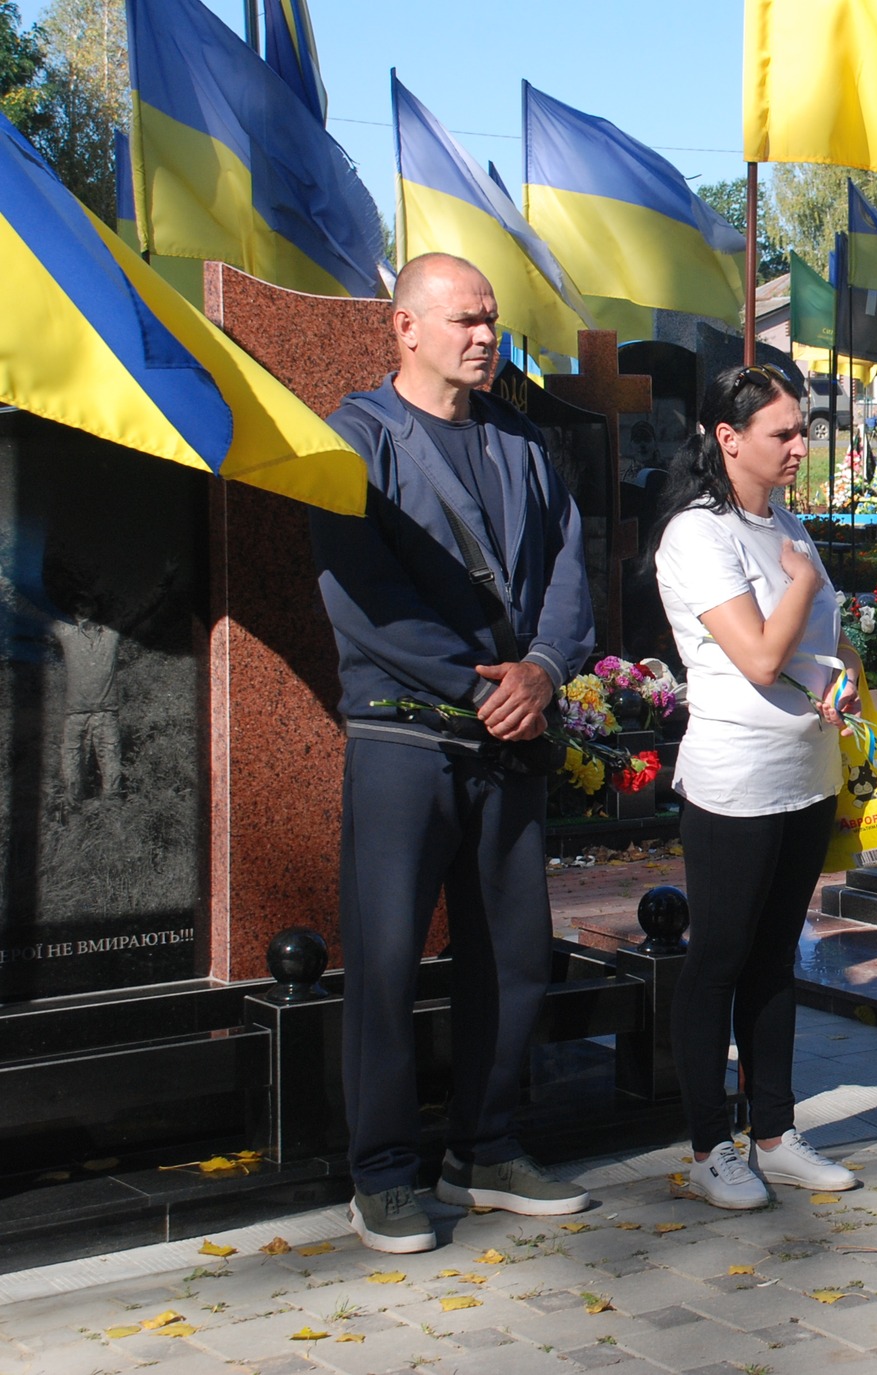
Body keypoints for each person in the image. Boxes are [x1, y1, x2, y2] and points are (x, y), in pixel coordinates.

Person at [309, 253, 597, 1253]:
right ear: (406, 328)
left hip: (510, 736)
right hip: (404, 738)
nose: (485, 336)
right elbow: (361, 591)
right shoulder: (356, 439)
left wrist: (543, 671)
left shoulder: (522, 443)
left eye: (491, 319)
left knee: (512, 956)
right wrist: (482, 687)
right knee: (387, 960)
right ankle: (382, 1173)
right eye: (465, 320)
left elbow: (569, 567)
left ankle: (485, 1147)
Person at [653, 364, 864, 1209]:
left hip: (806, 771)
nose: (801, 445)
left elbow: (829, 641)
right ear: (728, 438)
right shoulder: (698, 534)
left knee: (777, 958)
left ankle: (774, 1132)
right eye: (783, 432)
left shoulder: (785, 523)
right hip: (737, 779)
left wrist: (850, 678)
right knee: (720, 958)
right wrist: (802, 580)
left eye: (803, 429)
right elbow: (762, 656)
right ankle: (710, 1145)